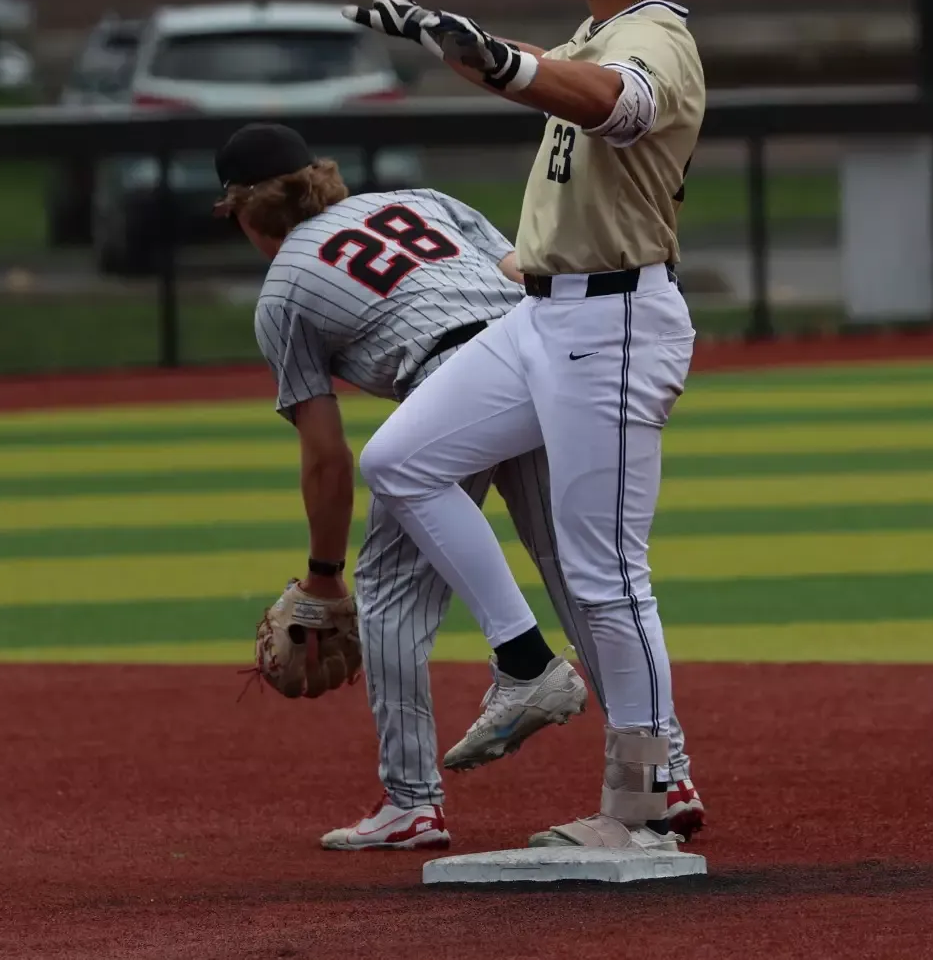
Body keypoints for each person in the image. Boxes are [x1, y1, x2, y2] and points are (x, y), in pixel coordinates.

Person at [341, 0, 706, 851]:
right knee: (401, 461)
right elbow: (546, 82)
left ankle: (649, 791)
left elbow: (611, 102)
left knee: (605, 573)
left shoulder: (654, 40)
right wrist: (432, 33)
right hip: (543, 315)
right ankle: (525, 662)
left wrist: (499, 57)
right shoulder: (603, 30)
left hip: (615, 321)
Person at [216, 122, 704, 851]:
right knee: (585, 580)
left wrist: (324, 578)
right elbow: (520, 269)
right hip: (541, 359)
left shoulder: (282, 288)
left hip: (452, 385)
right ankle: (664, 771)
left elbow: (326, 456)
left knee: (387, 589)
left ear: (246, 212)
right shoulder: (423, 200)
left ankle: (413, 802)